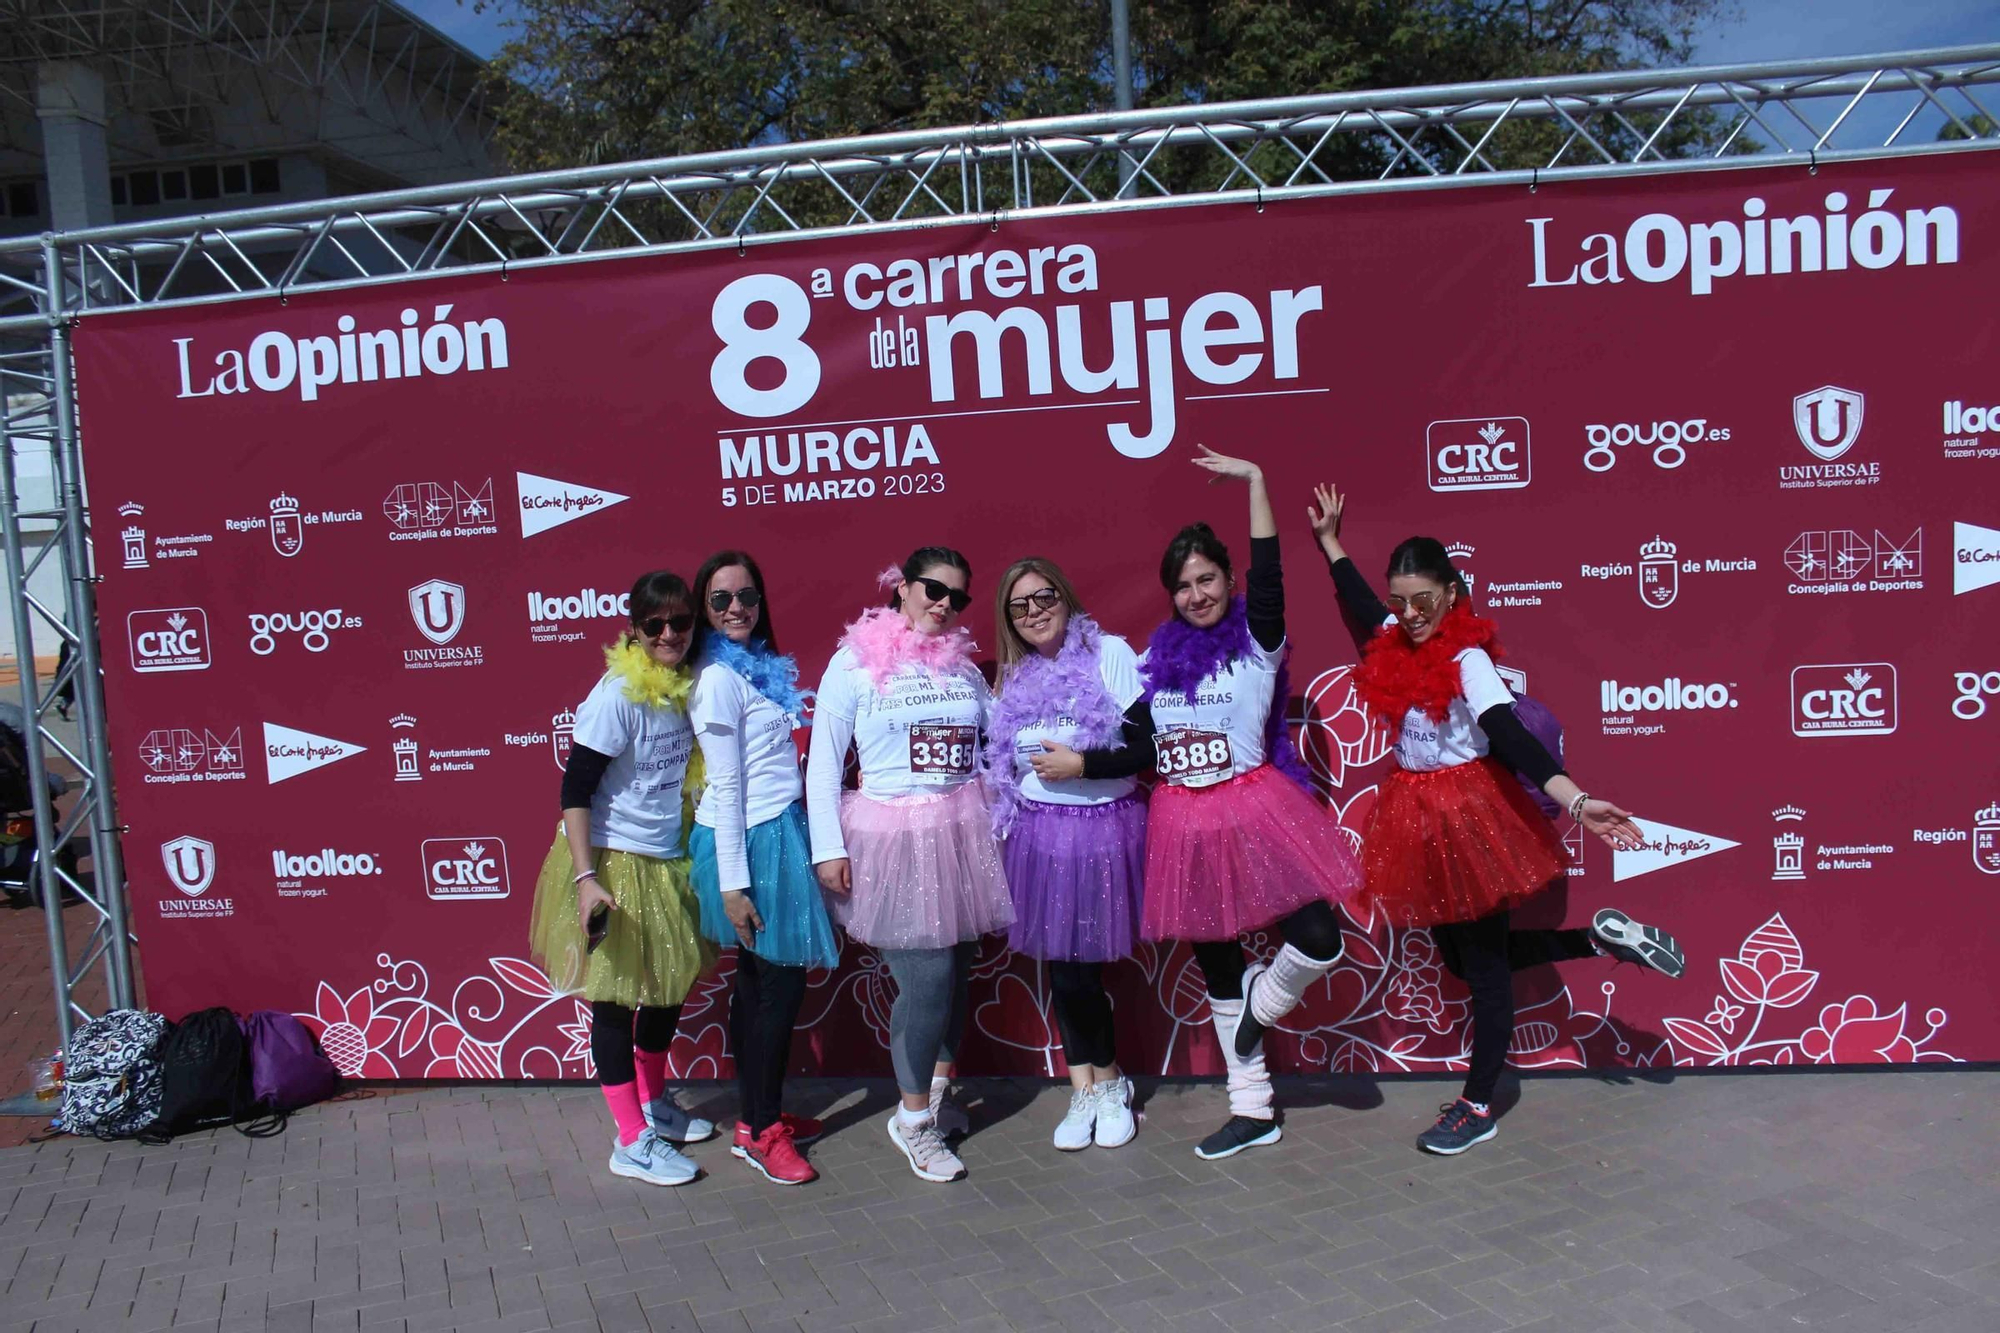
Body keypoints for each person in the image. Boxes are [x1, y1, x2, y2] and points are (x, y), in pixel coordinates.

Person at [1310, 482, 1687, 1156]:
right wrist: (1333, 544)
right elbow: (1368, 612)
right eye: (1403, 600)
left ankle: (1478, 1102)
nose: (1410, 612)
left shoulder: (1468, 658)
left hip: (1468, 819)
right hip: (1416, 817)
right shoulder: (1399, 635)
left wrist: (1575, 798)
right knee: (1464, 957)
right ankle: (1599, 942)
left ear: (1453, 592)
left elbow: (1506, 732)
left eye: (1424, 598)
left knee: (1482, 970)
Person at [1141, 447, 1365, 1161]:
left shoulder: (1256, 641)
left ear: (1228, 580)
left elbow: (1270, 575)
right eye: (1182, 585)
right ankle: (1253, 1107)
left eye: (1207, 578)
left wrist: (1257, 482)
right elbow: (1134, 736)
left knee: (1319, 938)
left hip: (1259, 811)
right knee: (1216, 963)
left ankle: (1256, 1014)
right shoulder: (1161, 663)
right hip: (1186, 822)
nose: (1195, 594)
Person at [806, 548, 1013, 1183]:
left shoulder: (965, 673)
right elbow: (822, 763)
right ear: (900, 588)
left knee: (953, 975)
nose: (944, 603)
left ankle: (938, 1097)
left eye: (958, 595)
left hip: (961, 834)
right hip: (892, 839)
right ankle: (913, 1122)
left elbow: (994, 746)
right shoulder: (854, 663)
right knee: (924, 983)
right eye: (932, 588)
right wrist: (827, 848)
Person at [528, 571, 718, 1187]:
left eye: (680, 623)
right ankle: (630, 1139)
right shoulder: (616, 696)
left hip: (668, 857)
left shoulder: (690, 686)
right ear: (633, 629)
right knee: (613, 1002)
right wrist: (586, 878)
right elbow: (574, 788)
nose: (669, 635)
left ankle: (653, 1105)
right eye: (655, 625)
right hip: (612, 862)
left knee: (666, 990)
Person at [984, 557, 1148, 1151]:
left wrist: (1083, 765)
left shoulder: (1112, 654)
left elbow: (1144, 748)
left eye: (1043, 596)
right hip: (1038, 835)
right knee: (1063, 966)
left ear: (1066, 594)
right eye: (1019, 605)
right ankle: (1086, 1087)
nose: (1034, 612)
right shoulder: (1016, 675)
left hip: (1104, 828)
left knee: (1084, 970)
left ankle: (1111, 1085)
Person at [687, 550, 839, 1186]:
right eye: (720, 600)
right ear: (703, 609)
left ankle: (756, 1115)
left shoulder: (756, 669)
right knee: (777, 988)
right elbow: (724, 784)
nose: (736, 609)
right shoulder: (718, 679)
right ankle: (761, 1130)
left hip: (776, 828)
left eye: (746, 596)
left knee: (756, 981)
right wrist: (733, 885)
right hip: (747, 841)